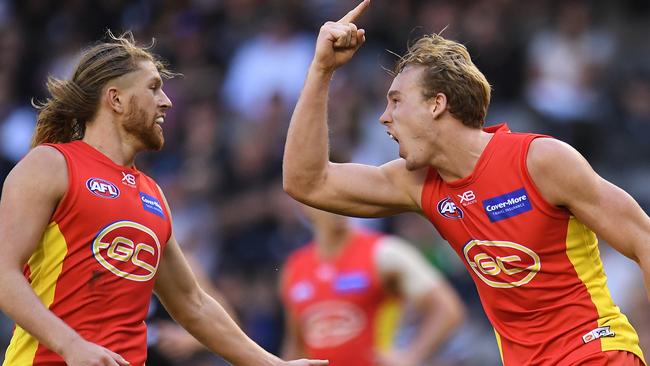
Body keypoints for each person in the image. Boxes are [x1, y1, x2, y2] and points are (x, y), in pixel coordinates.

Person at [282, 1, 649, 365]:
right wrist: (321, 70)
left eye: (396, 101)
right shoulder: (419, 183)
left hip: (595, 352)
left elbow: (642, 238)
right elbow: (307, 182)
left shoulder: (540, 160)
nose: (384, 118)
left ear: (436, 104)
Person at [0, 31, 328, 366]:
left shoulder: (152, 195)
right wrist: (71, 346)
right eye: (154, 87)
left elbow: (193, 303)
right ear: (115, 99)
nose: (167, 101)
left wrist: (273, 364)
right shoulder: (52, 164)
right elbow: (3, 273)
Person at [279, 205, 464, 366]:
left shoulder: (385, 252)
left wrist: (410, 356)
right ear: (304, 205)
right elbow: (296, 345)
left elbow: (447, 308)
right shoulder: (295, 268)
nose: (335, 203)